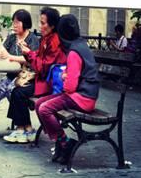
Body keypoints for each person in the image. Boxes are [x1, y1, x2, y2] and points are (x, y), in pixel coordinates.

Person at [34, 14, 100, 164]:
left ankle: (65, 142)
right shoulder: (81, 44)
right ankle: (60, 142)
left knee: (44, 109)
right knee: (39, 104)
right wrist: (67, 75)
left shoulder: (74, 52)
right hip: (83, 95)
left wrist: (64, 77)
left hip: (82, 98)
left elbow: (70, 87)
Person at [2, 7, 65, 143]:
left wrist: (28, 53)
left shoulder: (54, 41)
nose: (40, 26)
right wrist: (28, 51)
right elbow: (40, 58)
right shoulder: (46, 38)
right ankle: (25, 129)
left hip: (50, 83)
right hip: (43, 79)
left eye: (43, 23)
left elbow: (43, 67)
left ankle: (22, 129)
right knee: (16, 90)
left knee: (18, 92)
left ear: (52, 25)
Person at [0, 9, 40, 137]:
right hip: (11, 76)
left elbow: (30, 60)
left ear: (25, 23)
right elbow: (2, 50)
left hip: (26, 78)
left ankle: (23, 126)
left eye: (17, 22)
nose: (14, 25)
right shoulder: (11, 37)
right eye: (13, 22)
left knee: (11, 90)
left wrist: (9, 56)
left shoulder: (32, 39)